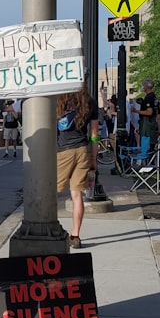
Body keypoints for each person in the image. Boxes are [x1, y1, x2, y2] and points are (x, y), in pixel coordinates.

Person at [56, 86, 100, 249]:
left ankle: (49, 228)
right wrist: (93, 158)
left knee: (52, 191)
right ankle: (75, 236)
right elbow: (94, 134)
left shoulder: (60, 100)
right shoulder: (90, 102)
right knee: (77, 196)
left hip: (63, 150)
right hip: (83, 150)